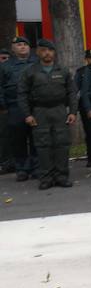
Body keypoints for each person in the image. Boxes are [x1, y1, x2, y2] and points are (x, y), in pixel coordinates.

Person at [17, 39, 77, 189]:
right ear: (38, 52)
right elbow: (22, 94)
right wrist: (27, 115)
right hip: (39, 112)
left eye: (49, 50)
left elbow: (72, 92)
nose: (47, 53)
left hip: (59, 110)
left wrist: (73, 112)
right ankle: (46, 178)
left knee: (61, 145)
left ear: (54, 53)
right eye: (43, 50)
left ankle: (62, 177)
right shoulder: (30, 72)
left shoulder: (62, 70)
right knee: (43, 146)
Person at [0, 36, 37, 181]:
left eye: (25, 44)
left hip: (34, 106)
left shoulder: (37, 63)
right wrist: (3, 105)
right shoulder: (5, 66)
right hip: (14, 106)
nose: (22, 47)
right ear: (13, 48)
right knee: (18, 139)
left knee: (36, 138)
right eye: (19, 45)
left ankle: (36, 167)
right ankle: (22, 168)